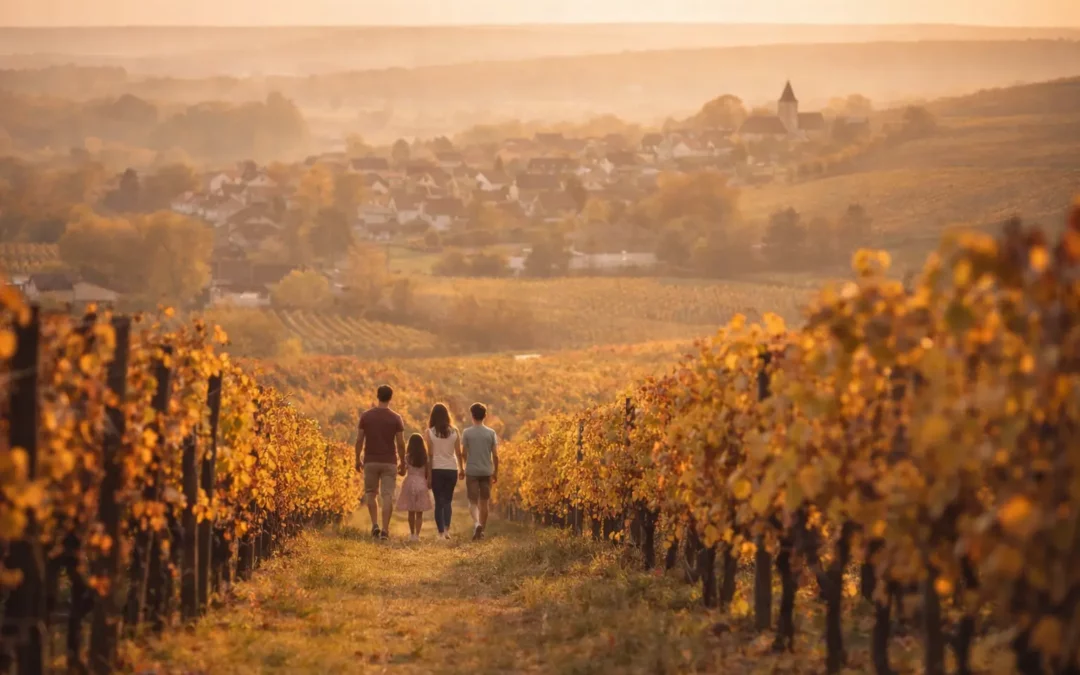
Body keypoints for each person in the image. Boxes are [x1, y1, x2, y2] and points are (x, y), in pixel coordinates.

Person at [355, 384, 406, 540]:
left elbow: (359, 440)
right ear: (391, 398)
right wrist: (403, 462)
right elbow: (401, 442)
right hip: (389, 461)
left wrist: (357, 458)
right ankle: (385, 530)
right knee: (387, 496)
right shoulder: (396, 418)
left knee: (371, 493)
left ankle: (375, 525)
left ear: (377, 396)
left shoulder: (366, 416)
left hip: (370, 461)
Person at [424, 403, 464, 540]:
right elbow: (458, 453)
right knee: (448, 501)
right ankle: (447, 530)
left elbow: (429, 455)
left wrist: (429, 475)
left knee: (439, 502)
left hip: (436, 469)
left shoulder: (429, 432)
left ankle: (441, 533)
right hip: (451, 469)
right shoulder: (455, 431)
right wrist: (462, 469)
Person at [462, 402, 498, 541]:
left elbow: (463, 453)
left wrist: (467, 464)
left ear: (472, 416)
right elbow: (495, 455)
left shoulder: (467, 433)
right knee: (484, 502)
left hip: (472, 471)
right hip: (487, 471)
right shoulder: (491, 433)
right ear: (485, 416)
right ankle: (482, 530)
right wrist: (496, 472)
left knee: (472, 501)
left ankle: (477, 524)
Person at [397, 434, 434, 542]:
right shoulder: (425, 457)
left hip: (409, 484)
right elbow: (428, 473)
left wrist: (399, 470)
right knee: (419, 512)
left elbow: (403, 472)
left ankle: (412, 534)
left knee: (411, 511)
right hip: (421, 483)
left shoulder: (407, 457)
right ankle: (417, 535)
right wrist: (428, 481)